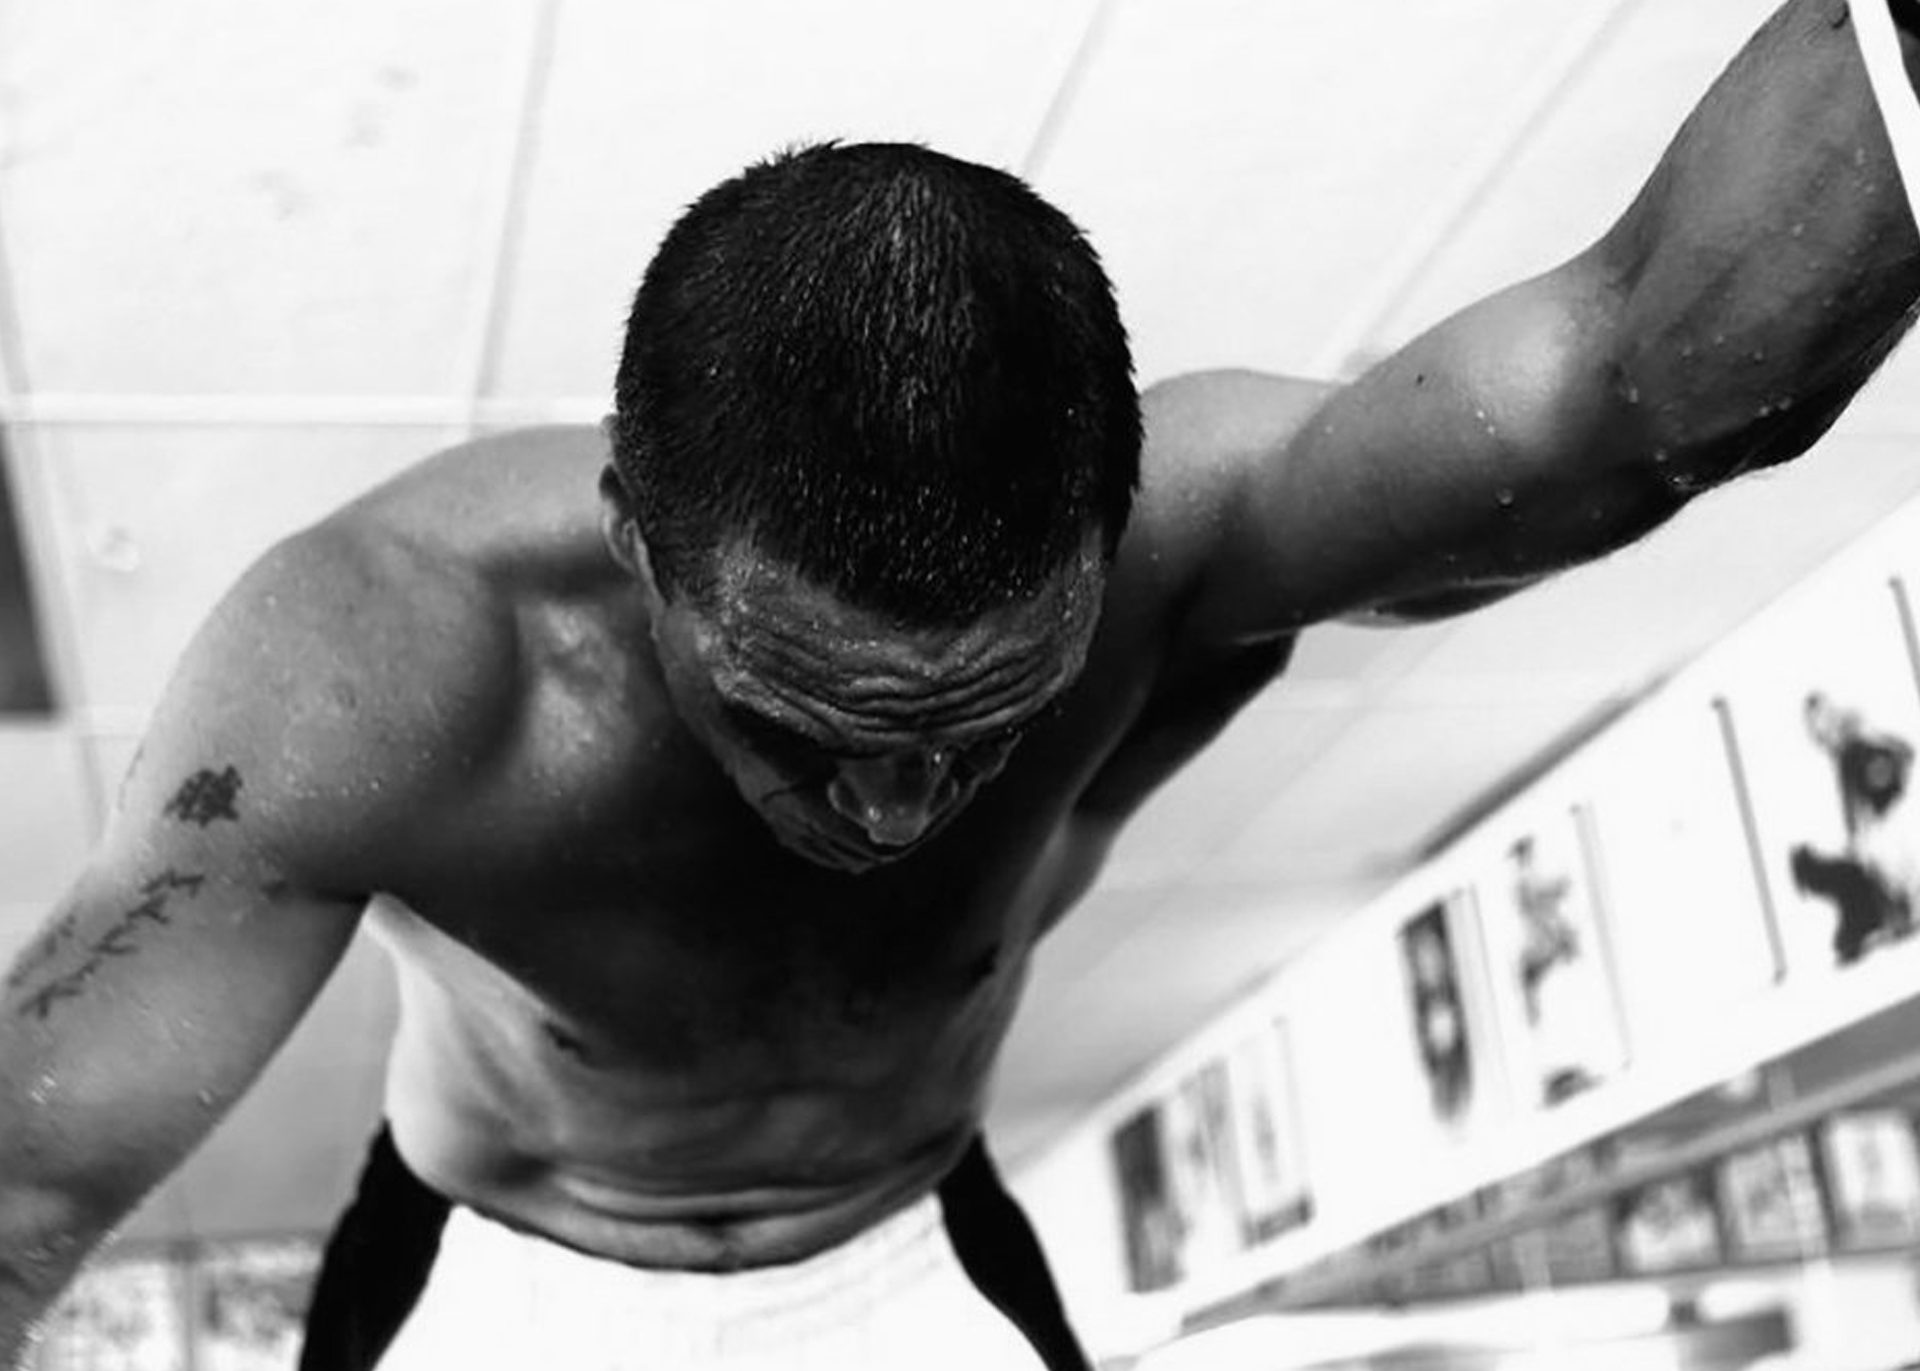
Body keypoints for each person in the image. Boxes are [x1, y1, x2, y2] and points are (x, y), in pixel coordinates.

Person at [7, 1, 1920, 1366]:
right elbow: (32, 1168)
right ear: (633, 541)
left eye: (982, 724)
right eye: (802, 726)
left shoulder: (1185, 552)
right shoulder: (386, 666)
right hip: (508, 1273)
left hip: (914, 1252)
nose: (901, 812)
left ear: (1111, 538)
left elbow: (1629, 389)